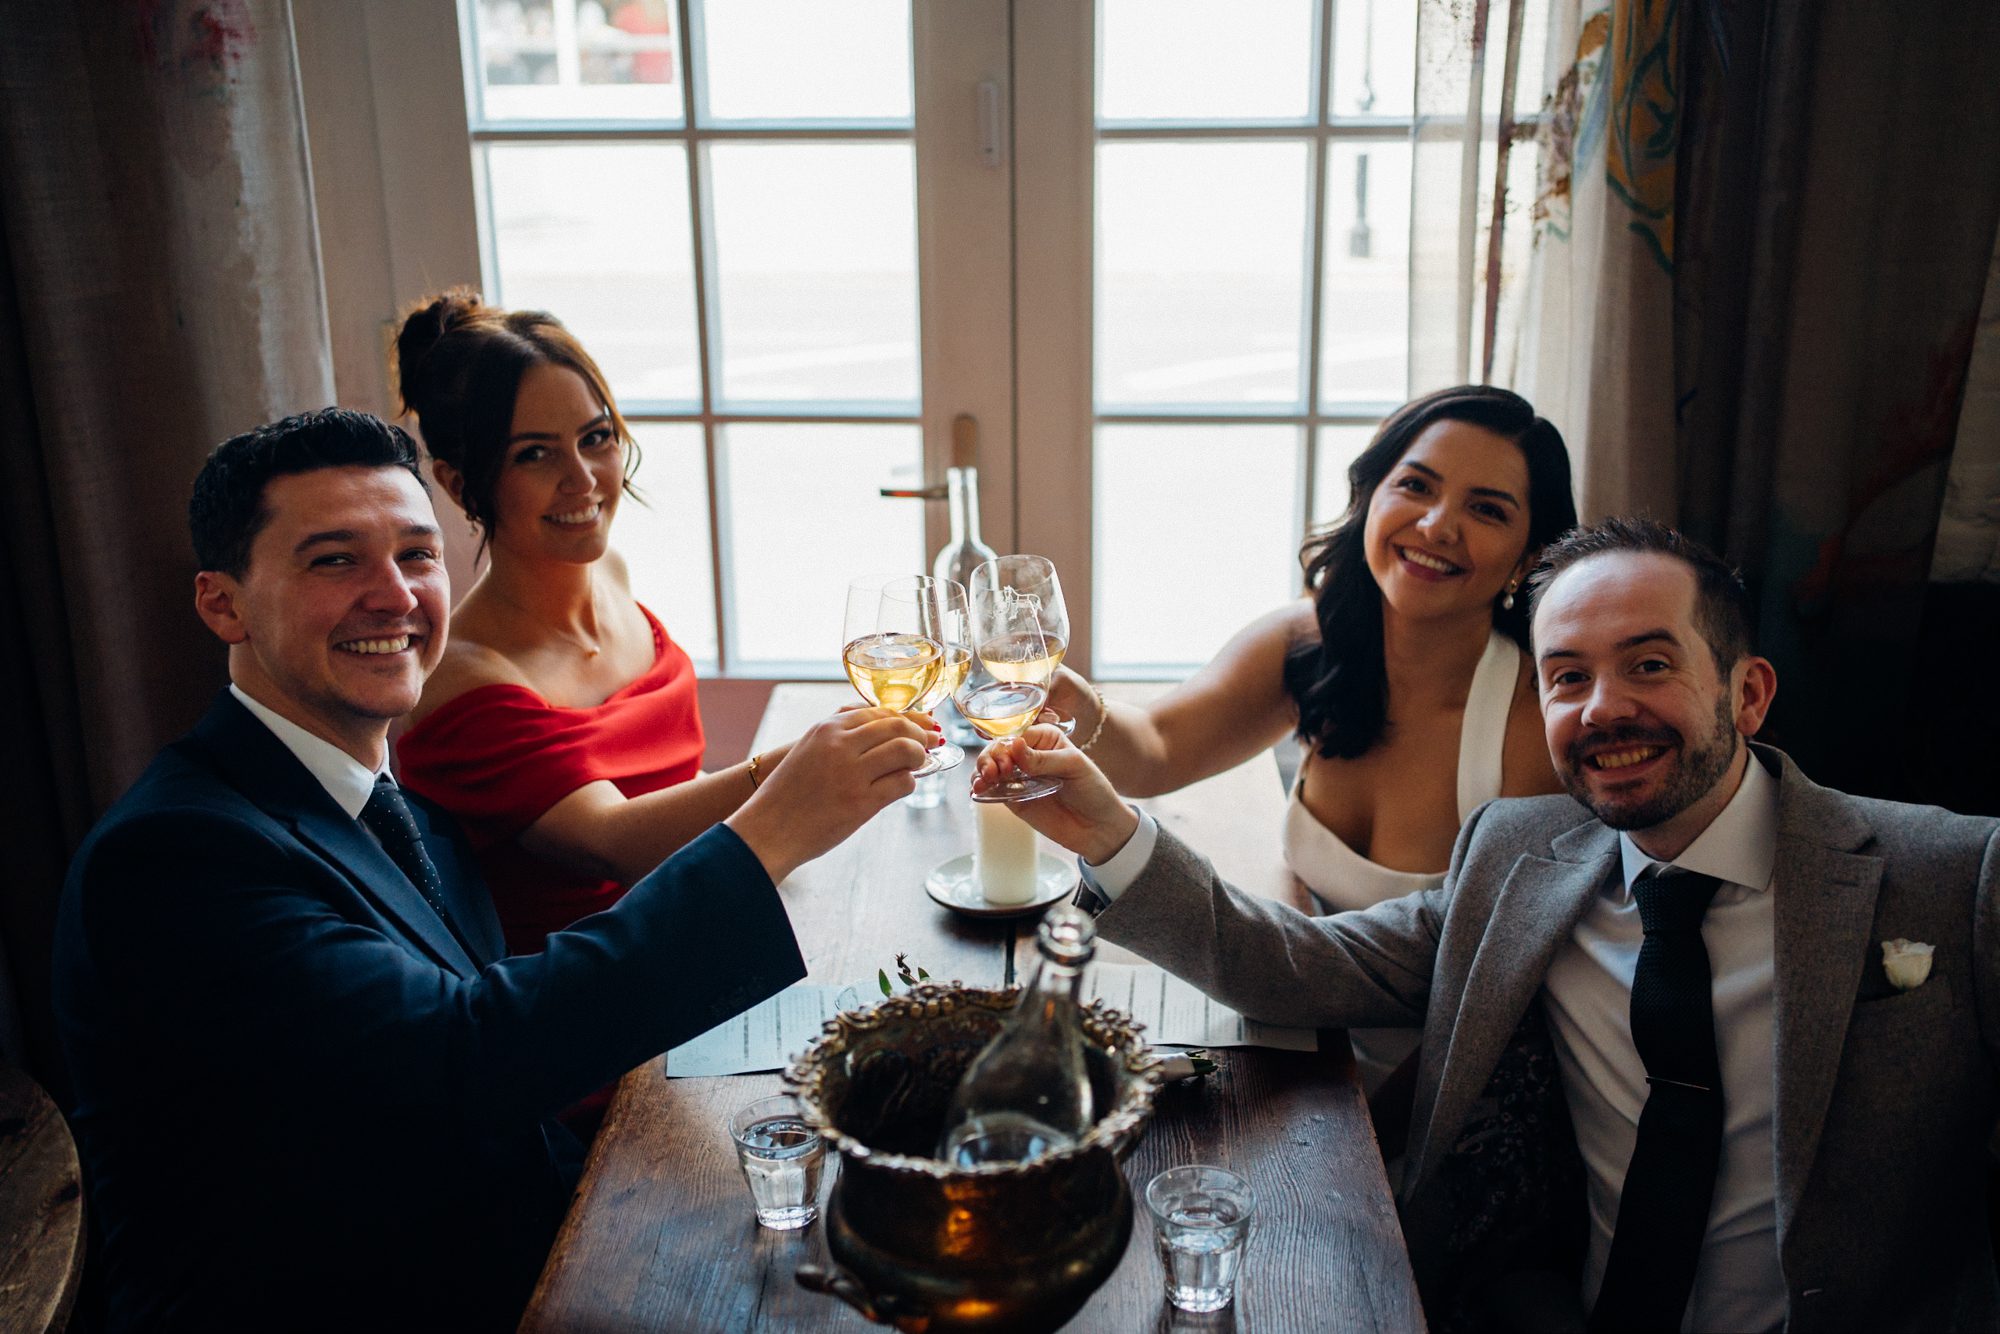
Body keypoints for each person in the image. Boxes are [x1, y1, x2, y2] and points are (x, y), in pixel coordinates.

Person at [979, 517, 1999, 1332]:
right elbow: (1290, 965)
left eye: (1649, 665)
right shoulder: (1517, 853)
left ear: (1749, 692)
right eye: (1567, 676)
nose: (1602, 708)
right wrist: (1108, 830)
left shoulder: (1953, 877)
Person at [52, 409, 929, 1330]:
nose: (395, 595)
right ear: (222, 603)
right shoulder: (172, 858)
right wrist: (766, 836)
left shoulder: (412, 816)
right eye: (335, 560)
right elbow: (465, 1061)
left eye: (417, 555)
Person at [1047, 384, 1577, 1097]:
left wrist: (1366, 1132)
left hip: (1427, 1094)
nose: (1436, 525)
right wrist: (1073, 704)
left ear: (1529, 554)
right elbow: (1155, 750)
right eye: (1416, 485)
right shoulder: (1308, 641)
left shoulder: (1533, 727)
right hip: (1285, 1036)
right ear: (1371, 494)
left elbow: (1501, 1008)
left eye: (1486, 509)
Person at [390, 292, 892, 963]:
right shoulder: (460, 675)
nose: (583, 480)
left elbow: (668, 787)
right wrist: (796, 764)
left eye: (596, 438)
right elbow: (614, 842)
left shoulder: (611, 573)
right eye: (535, 454)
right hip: (598, 993)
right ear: (458, 485)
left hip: (703, 927)